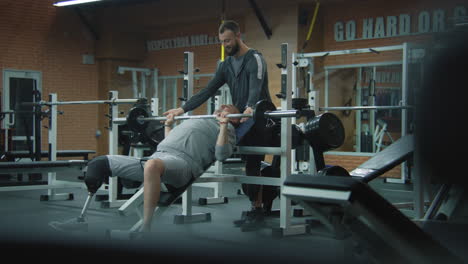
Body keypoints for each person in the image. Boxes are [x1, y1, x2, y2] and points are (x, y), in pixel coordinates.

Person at [49, 105, 239, 233]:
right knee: (99, 163)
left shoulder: (228, 129)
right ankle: (80, 220)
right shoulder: (198, 118)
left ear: (237, 119)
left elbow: (221, 155)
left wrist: (224, 126)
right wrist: (168, 126)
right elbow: (168, 143)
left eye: (229, 108)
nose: (223, 107)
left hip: (183, 166)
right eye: (222, 106)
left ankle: (146, 227)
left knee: (152, 165)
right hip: (159, 156)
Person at [163, 20, 272, 230]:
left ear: (239, 35)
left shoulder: (255, 59)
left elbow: (256, 87)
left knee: (252, 165)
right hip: (241, 119)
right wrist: (182, 109)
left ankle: (257, 210)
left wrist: (249, 107)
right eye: (222, 42)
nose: (225, 45)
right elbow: (208, 90)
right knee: (248, 165)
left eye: (228, 41)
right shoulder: (226, 65)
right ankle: (256, 207)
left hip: (260, 117)